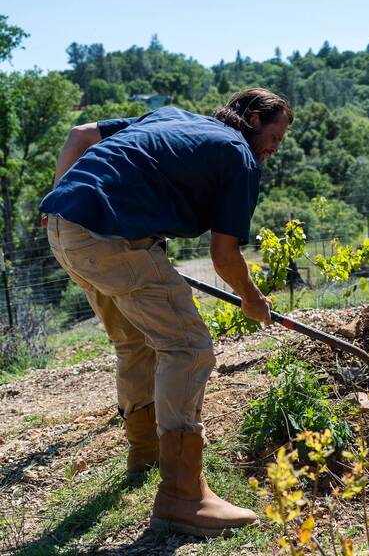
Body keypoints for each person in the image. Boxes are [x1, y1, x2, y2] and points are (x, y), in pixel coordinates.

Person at [40, 88, 293, 537]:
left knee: (136, 339)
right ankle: (182, 496)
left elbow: (80, 135)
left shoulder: (172, 117)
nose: (277, 147)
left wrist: (62, 197)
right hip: (108, 239)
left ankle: (145, 453)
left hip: (63, 226)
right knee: (188, 347)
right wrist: (253, 299)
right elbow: (224, 254)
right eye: (276, 135)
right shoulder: (239, 156)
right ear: (254, 119)